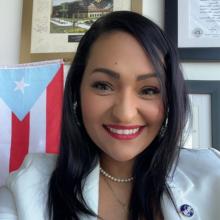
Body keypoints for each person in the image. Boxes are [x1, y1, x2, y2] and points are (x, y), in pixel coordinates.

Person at [0, 11, 220, 220]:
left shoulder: (212, 174)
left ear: (170, 97)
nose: (124, 114)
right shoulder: (26, 187)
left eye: (149, 90)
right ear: (77, 91)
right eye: (103, 86)